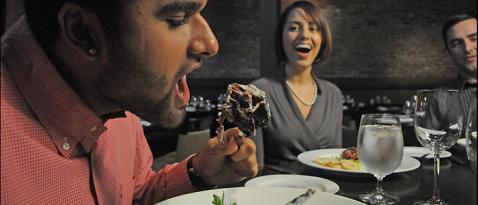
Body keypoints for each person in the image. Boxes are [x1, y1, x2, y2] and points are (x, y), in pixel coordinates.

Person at [1, 0, 258, 204]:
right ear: (83, 33)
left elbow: (135, 192)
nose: (211, 44)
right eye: (177, 19)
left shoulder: (119, 88)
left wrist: (199, 173)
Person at [251, 1, 343, 173]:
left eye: (313, 28)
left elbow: (337, 160)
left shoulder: (333, 94)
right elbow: (253, 168)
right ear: (281, 37)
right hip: (276, 193)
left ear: (322, 39)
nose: (304, 35)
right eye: (294, 28)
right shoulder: (257, 93)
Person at [441, 13, 477, 115]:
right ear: (449, 52)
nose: (467, 48)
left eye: (475, 38)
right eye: (456, 44)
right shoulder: (439, 98)